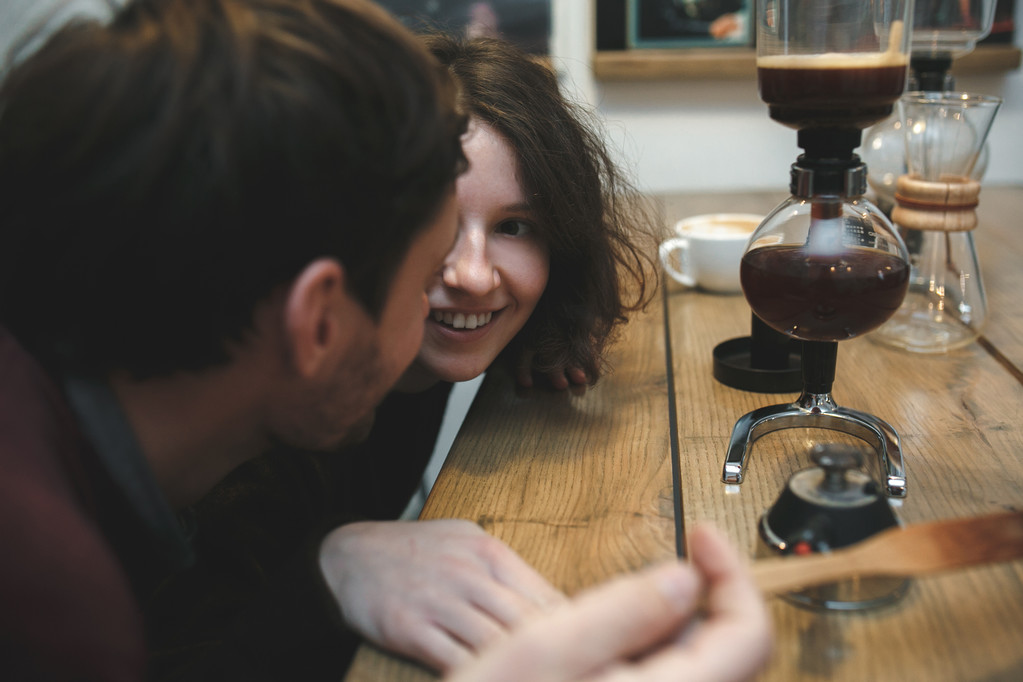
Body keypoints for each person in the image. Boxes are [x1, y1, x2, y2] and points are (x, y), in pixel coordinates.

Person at [0, 1, 772, 681]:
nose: (467, 278)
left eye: (515, 227)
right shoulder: (54, 607)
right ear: (320, 321)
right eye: (425, 267)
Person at [146, 32, 662, 678]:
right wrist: (329, 571)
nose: (473, 274)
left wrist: (545, 334)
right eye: (440, 228)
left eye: (514, 227)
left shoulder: (447, 336)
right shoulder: (264, 434)